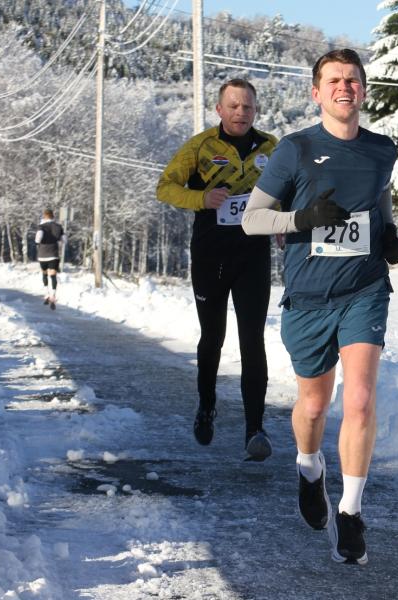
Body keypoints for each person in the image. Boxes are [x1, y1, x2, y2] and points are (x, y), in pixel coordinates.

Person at [242, 48, 398, 565]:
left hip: (364, 288)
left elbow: (379, 197)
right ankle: (309, 468)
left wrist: (390, 233)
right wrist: (302, 219)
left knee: (358, 400)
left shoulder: (382, 150)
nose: (344, 88)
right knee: (314, 405)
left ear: (363, 89)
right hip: (309, 297)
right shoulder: (294, 150)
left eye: (353, 80)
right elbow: (251, 220)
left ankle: (352, 513)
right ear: (316, 92)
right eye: (334, 80)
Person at [156, 78, 279, 461]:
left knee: (252, 339)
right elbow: (165, 187)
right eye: (234, 106)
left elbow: (287, 188)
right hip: (210, 254)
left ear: (255, 111)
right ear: (219, 110)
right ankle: (206, 406)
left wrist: (282, 222)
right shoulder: (201, 147)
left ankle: (254, 429)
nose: (241, 112)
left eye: (248, 107)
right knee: (213, 337)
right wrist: (202, 198)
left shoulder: (271, 148)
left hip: (253, 254)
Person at [35, 210, 65, 310]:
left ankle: (46, 294)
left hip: (42, 254)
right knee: (53, 275)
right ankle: (53, 296)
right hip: (53, 254)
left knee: (44, 274)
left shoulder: (41, 227)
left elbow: (37, 239)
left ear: (44, 216)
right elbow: (64, 240)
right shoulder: (58, 227)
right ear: (53, 216)